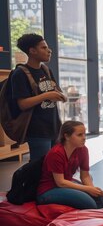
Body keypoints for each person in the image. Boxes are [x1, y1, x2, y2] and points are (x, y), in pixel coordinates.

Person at [12, 33, 66, 161]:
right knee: (40, 169)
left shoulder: (46, 70)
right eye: (43, 48)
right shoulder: (20, 73)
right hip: (37, 130)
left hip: (54, 127)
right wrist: (47, 95)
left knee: (55, 165)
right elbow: (22, 104)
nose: (49, 50)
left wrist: (60, 96)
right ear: (32, 51)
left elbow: (56, 91)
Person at [36, 121, 103, 209]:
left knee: (102, 200)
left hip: (66, 184)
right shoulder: (56, 153)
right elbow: (60, 183)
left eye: (84, 134)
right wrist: (87, 189)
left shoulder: (83, 150)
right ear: (66, 136)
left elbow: (85, 176)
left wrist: (93, 190)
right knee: (90, 204)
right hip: (49, 190)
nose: (84, 138)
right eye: (79, 135)